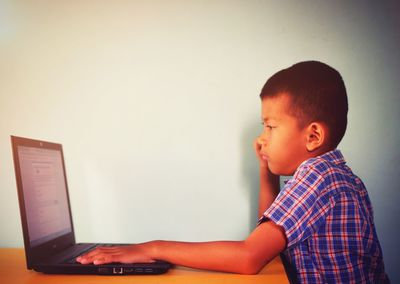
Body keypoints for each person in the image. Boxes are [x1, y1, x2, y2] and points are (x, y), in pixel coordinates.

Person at [77, 61, 389, 283]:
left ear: (313, 136)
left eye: (270, 126)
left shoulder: (317, 178)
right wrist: (266, 168)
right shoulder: (335, 175)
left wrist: (152, 248)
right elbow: (267, 237)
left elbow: (249, 256)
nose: (263, 136)